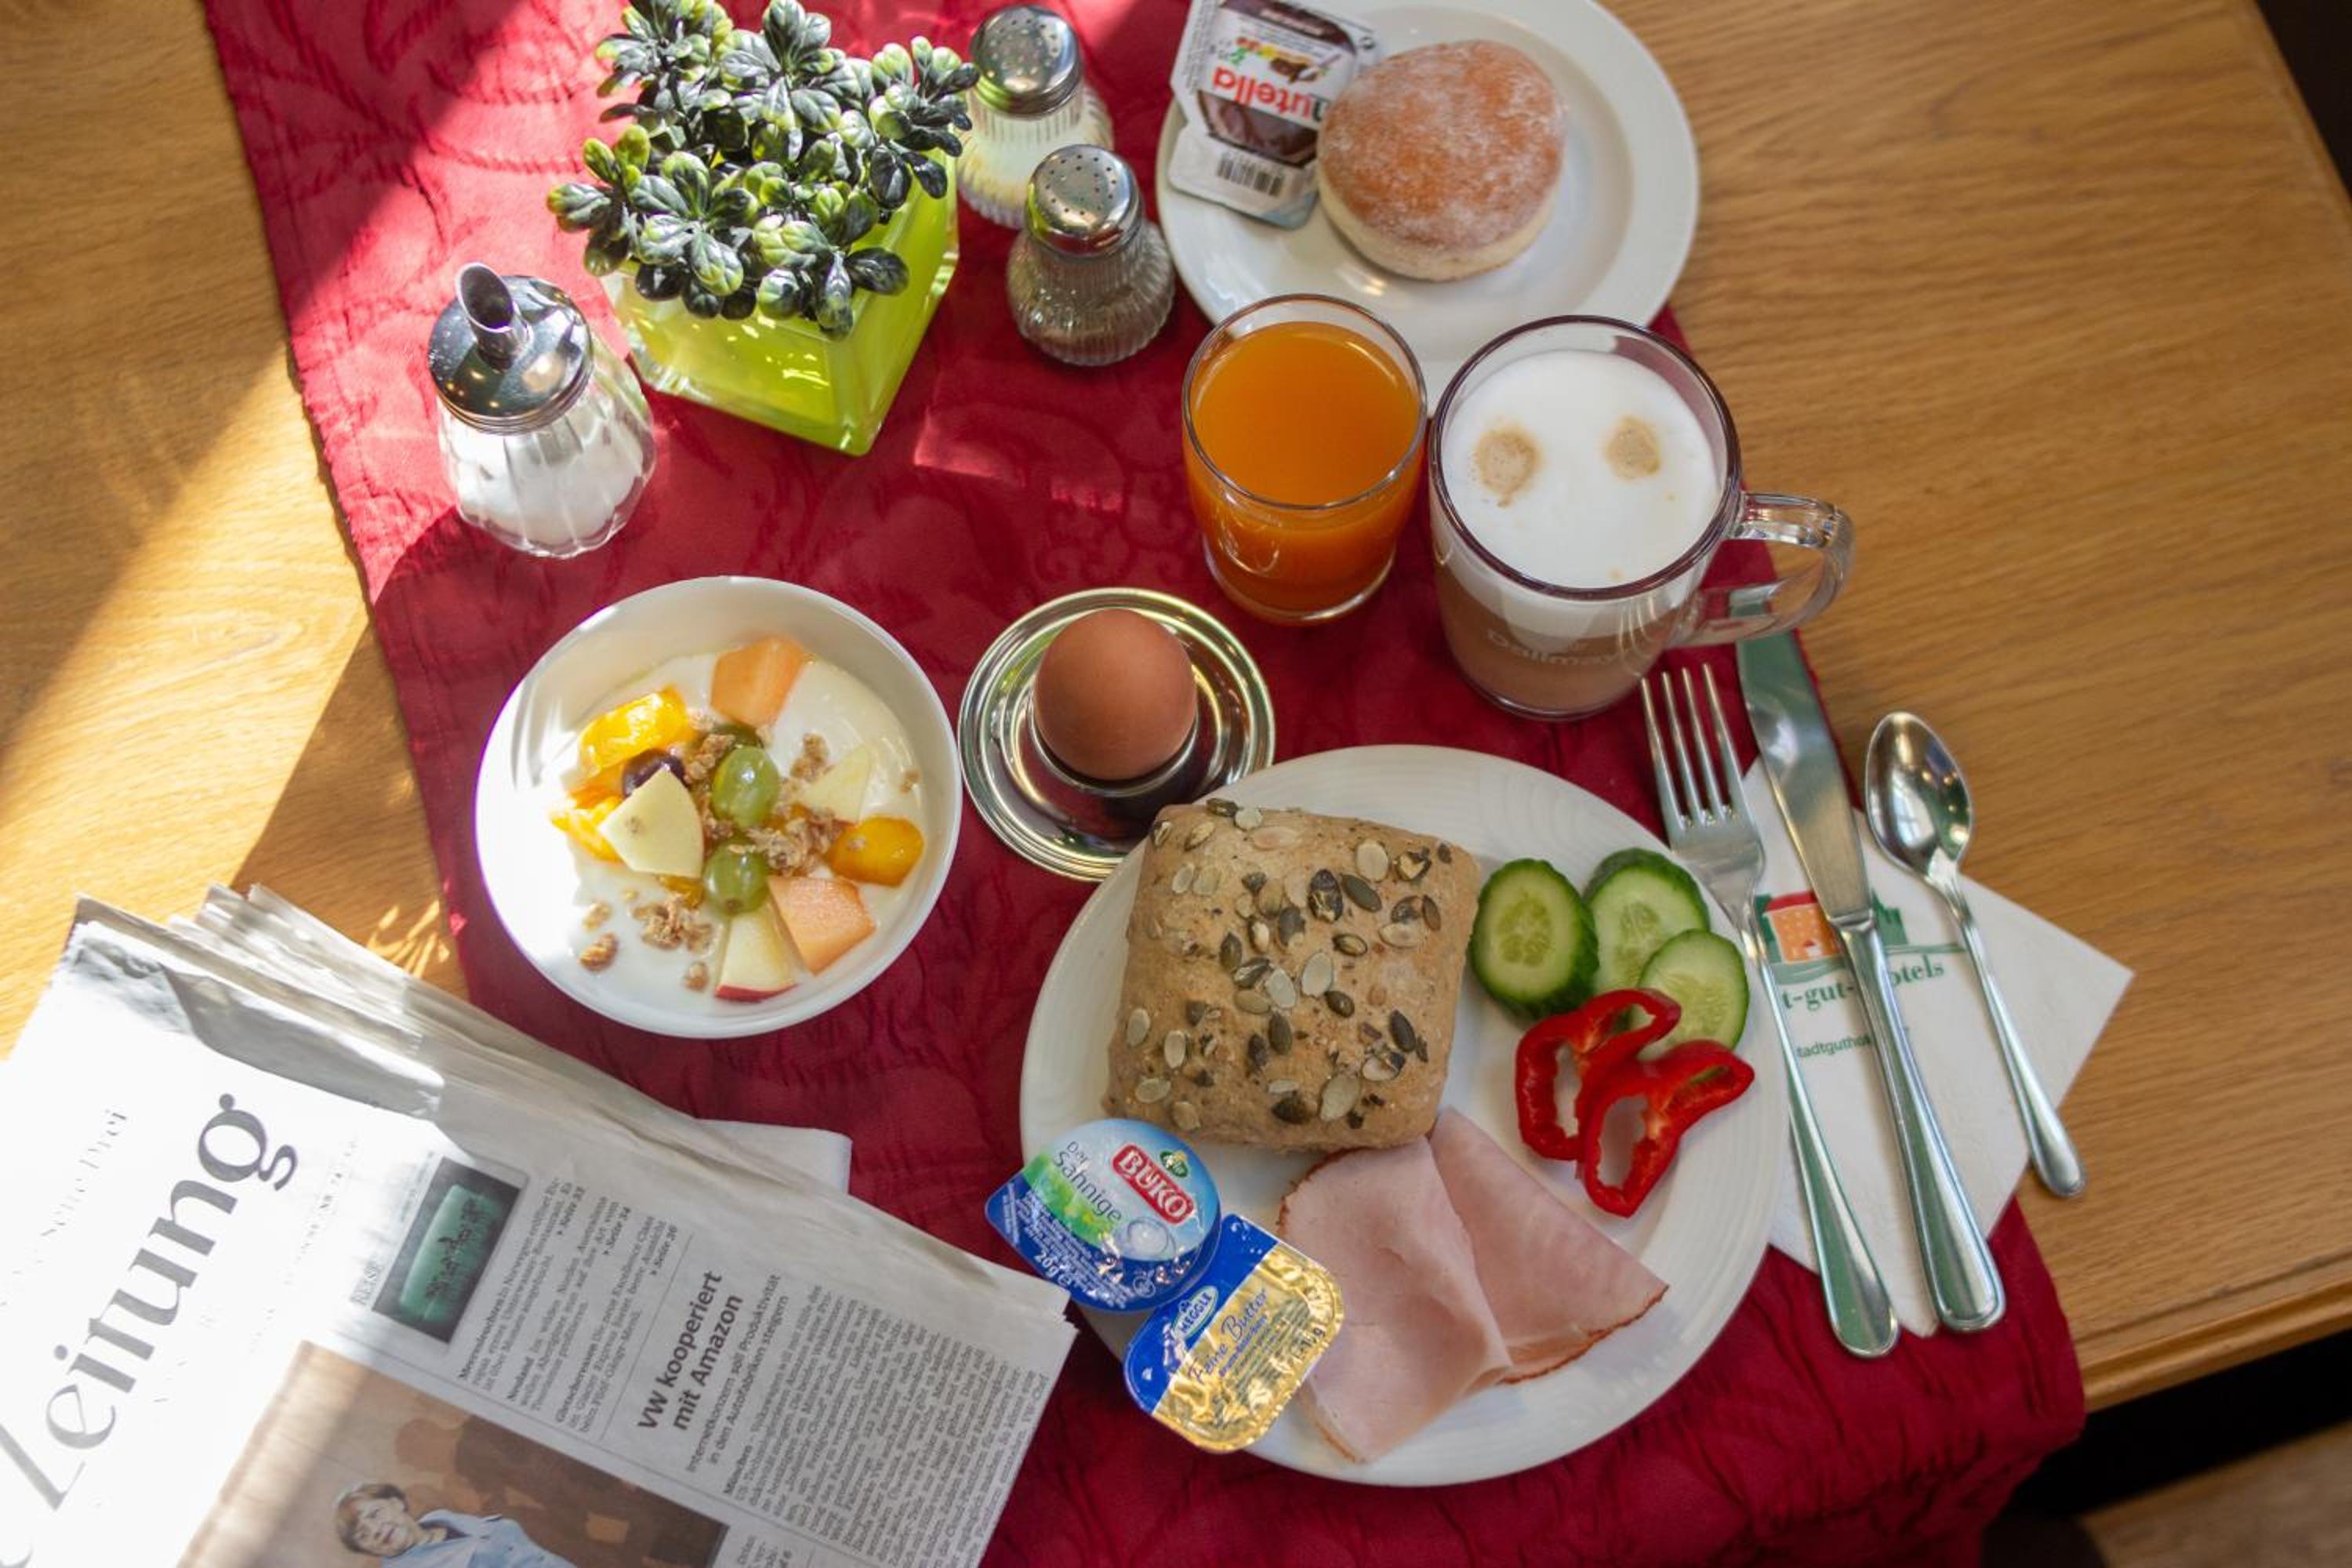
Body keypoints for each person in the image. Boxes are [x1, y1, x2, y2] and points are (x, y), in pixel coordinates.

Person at [332, 1481, 576, 1567]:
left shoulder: (440, 1518)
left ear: (396, 1502)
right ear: (366, 1550)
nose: (375, 1530)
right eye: (363, 1535)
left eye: (375, 1514)